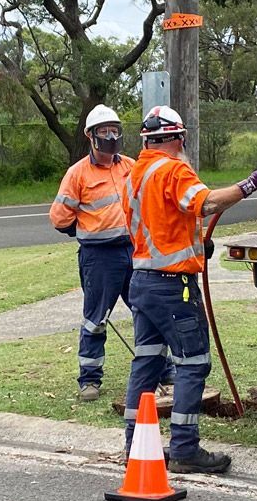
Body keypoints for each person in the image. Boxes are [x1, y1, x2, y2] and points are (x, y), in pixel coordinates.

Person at [121, 105, 257, 474]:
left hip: (142, 282)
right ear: (178, 137)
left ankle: (136, 445)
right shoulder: (174, 169)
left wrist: (194, 247)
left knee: (146, 361)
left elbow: (162, 222)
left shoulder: (135, 172)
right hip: (173, 287)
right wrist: (249, 184)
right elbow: (204, 203)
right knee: (193, 363)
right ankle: (185, 449)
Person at [48, 105, 172, 402]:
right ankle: (90, 379)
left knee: (148, 311)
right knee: (96, 318)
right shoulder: (77, 174)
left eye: (114, 130)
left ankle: (164, 368)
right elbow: (59, 218)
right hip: (99, 257)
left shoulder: (130, 165)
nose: (110, 136)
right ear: (90, 136)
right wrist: (84, 231)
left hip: (134, 251)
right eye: (103, 131)